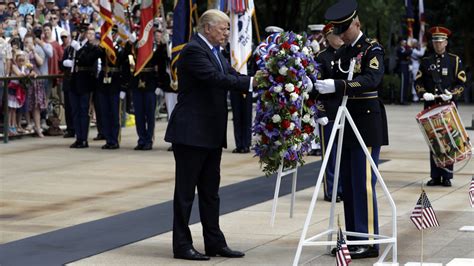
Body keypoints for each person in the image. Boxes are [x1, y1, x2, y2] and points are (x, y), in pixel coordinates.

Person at [164, 9, 256, 261]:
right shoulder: (194, 50)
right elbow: (215, 78)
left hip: (210, 132)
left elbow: (231, 74)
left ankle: (214, 242)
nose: (227, 33)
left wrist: (258, 80)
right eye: (223, 28)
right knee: (185, 194)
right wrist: (251, 83)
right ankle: (182, 245)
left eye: (228, 28)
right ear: (207, 28)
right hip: (191, 132)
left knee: (210, 192)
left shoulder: (216, 52)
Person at [315, 0, 388, 259]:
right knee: (348, 182)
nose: (341, 35)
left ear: (356, 23)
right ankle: (355, 237)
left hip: (366, 124)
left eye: (344, 29)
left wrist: (338, 86)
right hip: (345, 123)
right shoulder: (343, 52)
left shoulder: (372, 49)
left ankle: (368, 240)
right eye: (338, 30)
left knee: (362, 182)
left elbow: (371, 80)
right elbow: (330, 78)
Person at [415, 26, 466, 187]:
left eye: (440, 41)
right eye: (435, 41)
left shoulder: (454, 60)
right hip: (431, 104)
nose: (437, 44)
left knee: (448, 139)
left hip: (447, 105)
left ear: (446, 42)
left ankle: (447, 175)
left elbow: (462, 81)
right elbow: (418, 81)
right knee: (434, 139)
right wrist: (423, 93)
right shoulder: (426, 61)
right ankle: (435, 175)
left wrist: (452, 93)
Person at [314, 23, 344, 202]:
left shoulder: (348, 54)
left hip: (346, 109)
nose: (339, 38)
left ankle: (344, 188)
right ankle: (332, 190)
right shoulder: (320, 58)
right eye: (335, 35)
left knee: (344, 153)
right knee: (330, 155)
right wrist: (320, 112)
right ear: (327, 37)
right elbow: (315, 90)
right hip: (329, 111)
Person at [67, 27, 101, 148]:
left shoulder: (92, 48)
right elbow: (67, 57)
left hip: (85, 82)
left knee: (83, 111)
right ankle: (78, 137)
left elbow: (87, 60)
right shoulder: (74, 46)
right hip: (74, 82)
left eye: (83, 33)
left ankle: (84, 139)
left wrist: (79, 49)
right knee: (75, 112)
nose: (81, 34)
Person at [396, 38, 412, 104]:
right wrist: (409, 51)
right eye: (404, 42)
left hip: (406, 66)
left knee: (406, 83)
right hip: (402, 66)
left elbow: (407, 54)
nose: (405, 43)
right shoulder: (399, 49)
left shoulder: (405, 49)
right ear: (400, 42)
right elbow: (405, 54)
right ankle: (402, 100)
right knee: (403, 84)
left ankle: (405, 99)